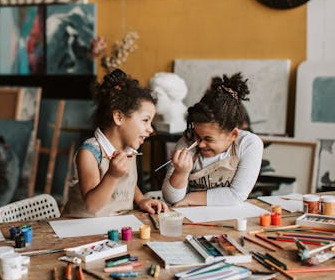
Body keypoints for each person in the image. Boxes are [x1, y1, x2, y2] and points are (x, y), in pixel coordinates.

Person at [63, 69, 169, 217]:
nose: (151, 130)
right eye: (145, 120)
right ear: (119, 117)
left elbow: (128, 183)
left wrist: (140, 200)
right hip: (82, 230)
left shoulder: (129, 148)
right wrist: (112, 176)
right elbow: (92, 206)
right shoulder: (89, 154)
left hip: (114, 226)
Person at [161, 73, 263, 207]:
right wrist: (181, 172)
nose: (201, 144)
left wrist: (189, 199)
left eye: (208, 139)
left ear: (233, 135)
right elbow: (171, 198)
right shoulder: (187, 143)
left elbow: (236, 195)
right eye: (197, 135)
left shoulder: (249, 144)